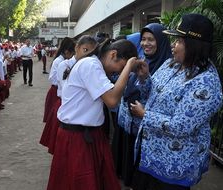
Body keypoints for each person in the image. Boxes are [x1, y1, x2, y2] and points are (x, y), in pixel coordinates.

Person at [130, 14, 223, 190]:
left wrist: (144, 115)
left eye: (179, 41)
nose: (173, 45)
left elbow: (181, 126)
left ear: (194, 45)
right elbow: (151, 95)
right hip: (148, 154)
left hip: (172, 166)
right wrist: (144, 78)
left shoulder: (206, 82)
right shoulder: (170, 64)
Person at [47, 39, 144, 190]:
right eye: (121, 67)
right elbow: (112, 100)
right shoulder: (90, 65)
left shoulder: (94, 65)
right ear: (113, 54)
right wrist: (128, 67)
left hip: (86, 135)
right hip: (77, 137)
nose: (119, 72)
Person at [115, 23, 172, 188]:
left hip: (148, 131)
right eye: (143, 39)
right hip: (129, 125)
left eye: (151, 40)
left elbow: (157, 96)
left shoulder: (167, 67)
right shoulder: (143, 60)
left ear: (161, 42)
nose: (145, 43)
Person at [40, 35, 98, 154]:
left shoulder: (86, 64)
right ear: (76, 48)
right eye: (85, 50)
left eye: (91, 52)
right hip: (63, 100)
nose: (87, 55)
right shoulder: (63, 64)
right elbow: (58, 82)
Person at [42, 37, 75, 123]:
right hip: (55, 92)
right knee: (56, 120)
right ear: (66, 51)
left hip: (60, 91)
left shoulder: (65, 60)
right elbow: (52, 78)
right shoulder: (59, 61)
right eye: (72, 53)